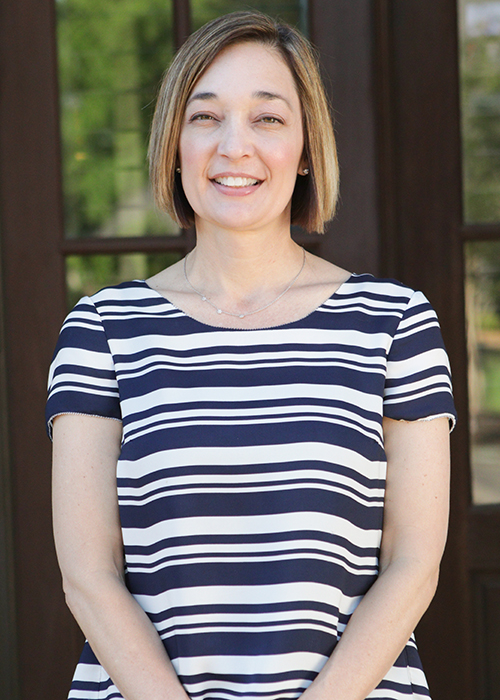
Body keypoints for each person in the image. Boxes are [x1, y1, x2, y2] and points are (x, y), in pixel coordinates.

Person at [47, 11, 456, 700]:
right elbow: (88, 575)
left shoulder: (394, 322)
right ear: (175, 144)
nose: (234, 146)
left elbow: (413, 563)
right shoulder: (103, 329)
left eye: (267, 119)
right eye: (206, 117)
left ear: (304, 149)